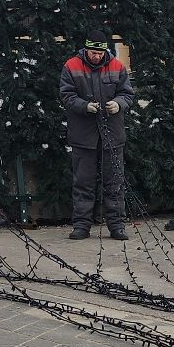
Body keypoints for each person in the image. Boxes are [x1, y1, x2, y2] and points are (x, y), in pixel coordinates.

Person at [60, 31, 138, 240]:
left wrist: (118, 104)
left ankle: (117, 225)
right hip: (83, 136)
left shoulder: (117, 66)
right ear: (86, 50)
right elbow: (66, 95)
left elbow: (127, 93)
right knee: (83, 182)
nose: (97, 57)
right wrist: (85, 106)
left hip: (112, 135)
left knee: (114, 183)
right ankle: (81, 226)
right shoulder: (71, 66)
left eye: (100, 52)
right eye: (93, 53)